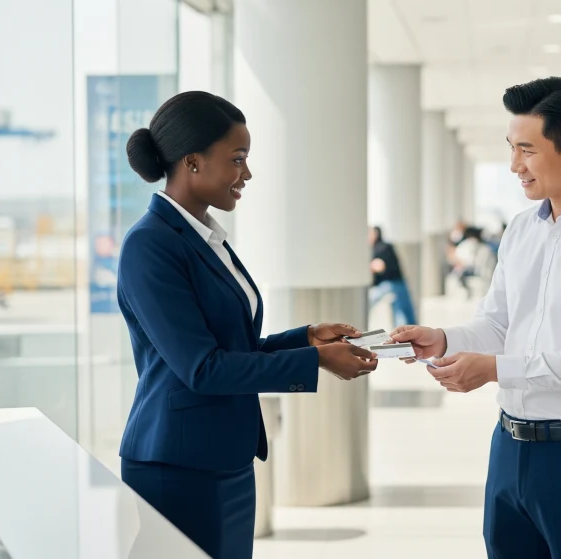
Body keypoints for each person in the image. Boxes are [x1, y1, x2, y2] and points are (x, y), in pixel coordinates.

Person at [391, 77, 561, 558]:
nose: (515, 165)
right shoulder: (520, 230)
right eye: (511, 149)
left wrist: (493, 369)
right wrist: (442, 339)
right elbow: (497, 324)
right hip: (509, 445)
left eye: (527, 150)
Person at [115, 91, 378, 559]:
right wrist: (313, 361)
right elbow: (203, 368)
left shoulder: (206, 236)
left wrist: (306, 337)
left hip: (223, 459)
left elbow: (230, 345)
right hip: (178, 467)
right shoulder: (150, 245)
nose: (247, 174)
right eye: (238, 159)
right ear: (192, 161)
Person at [369, 226, 417, 327]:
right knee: (400, 309)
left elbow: (380, 266)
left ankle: (405, 330)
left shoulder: (383, 247)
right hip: (388, 284)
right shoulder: (372, 248)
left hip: (393, 283)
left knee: (402, 310)